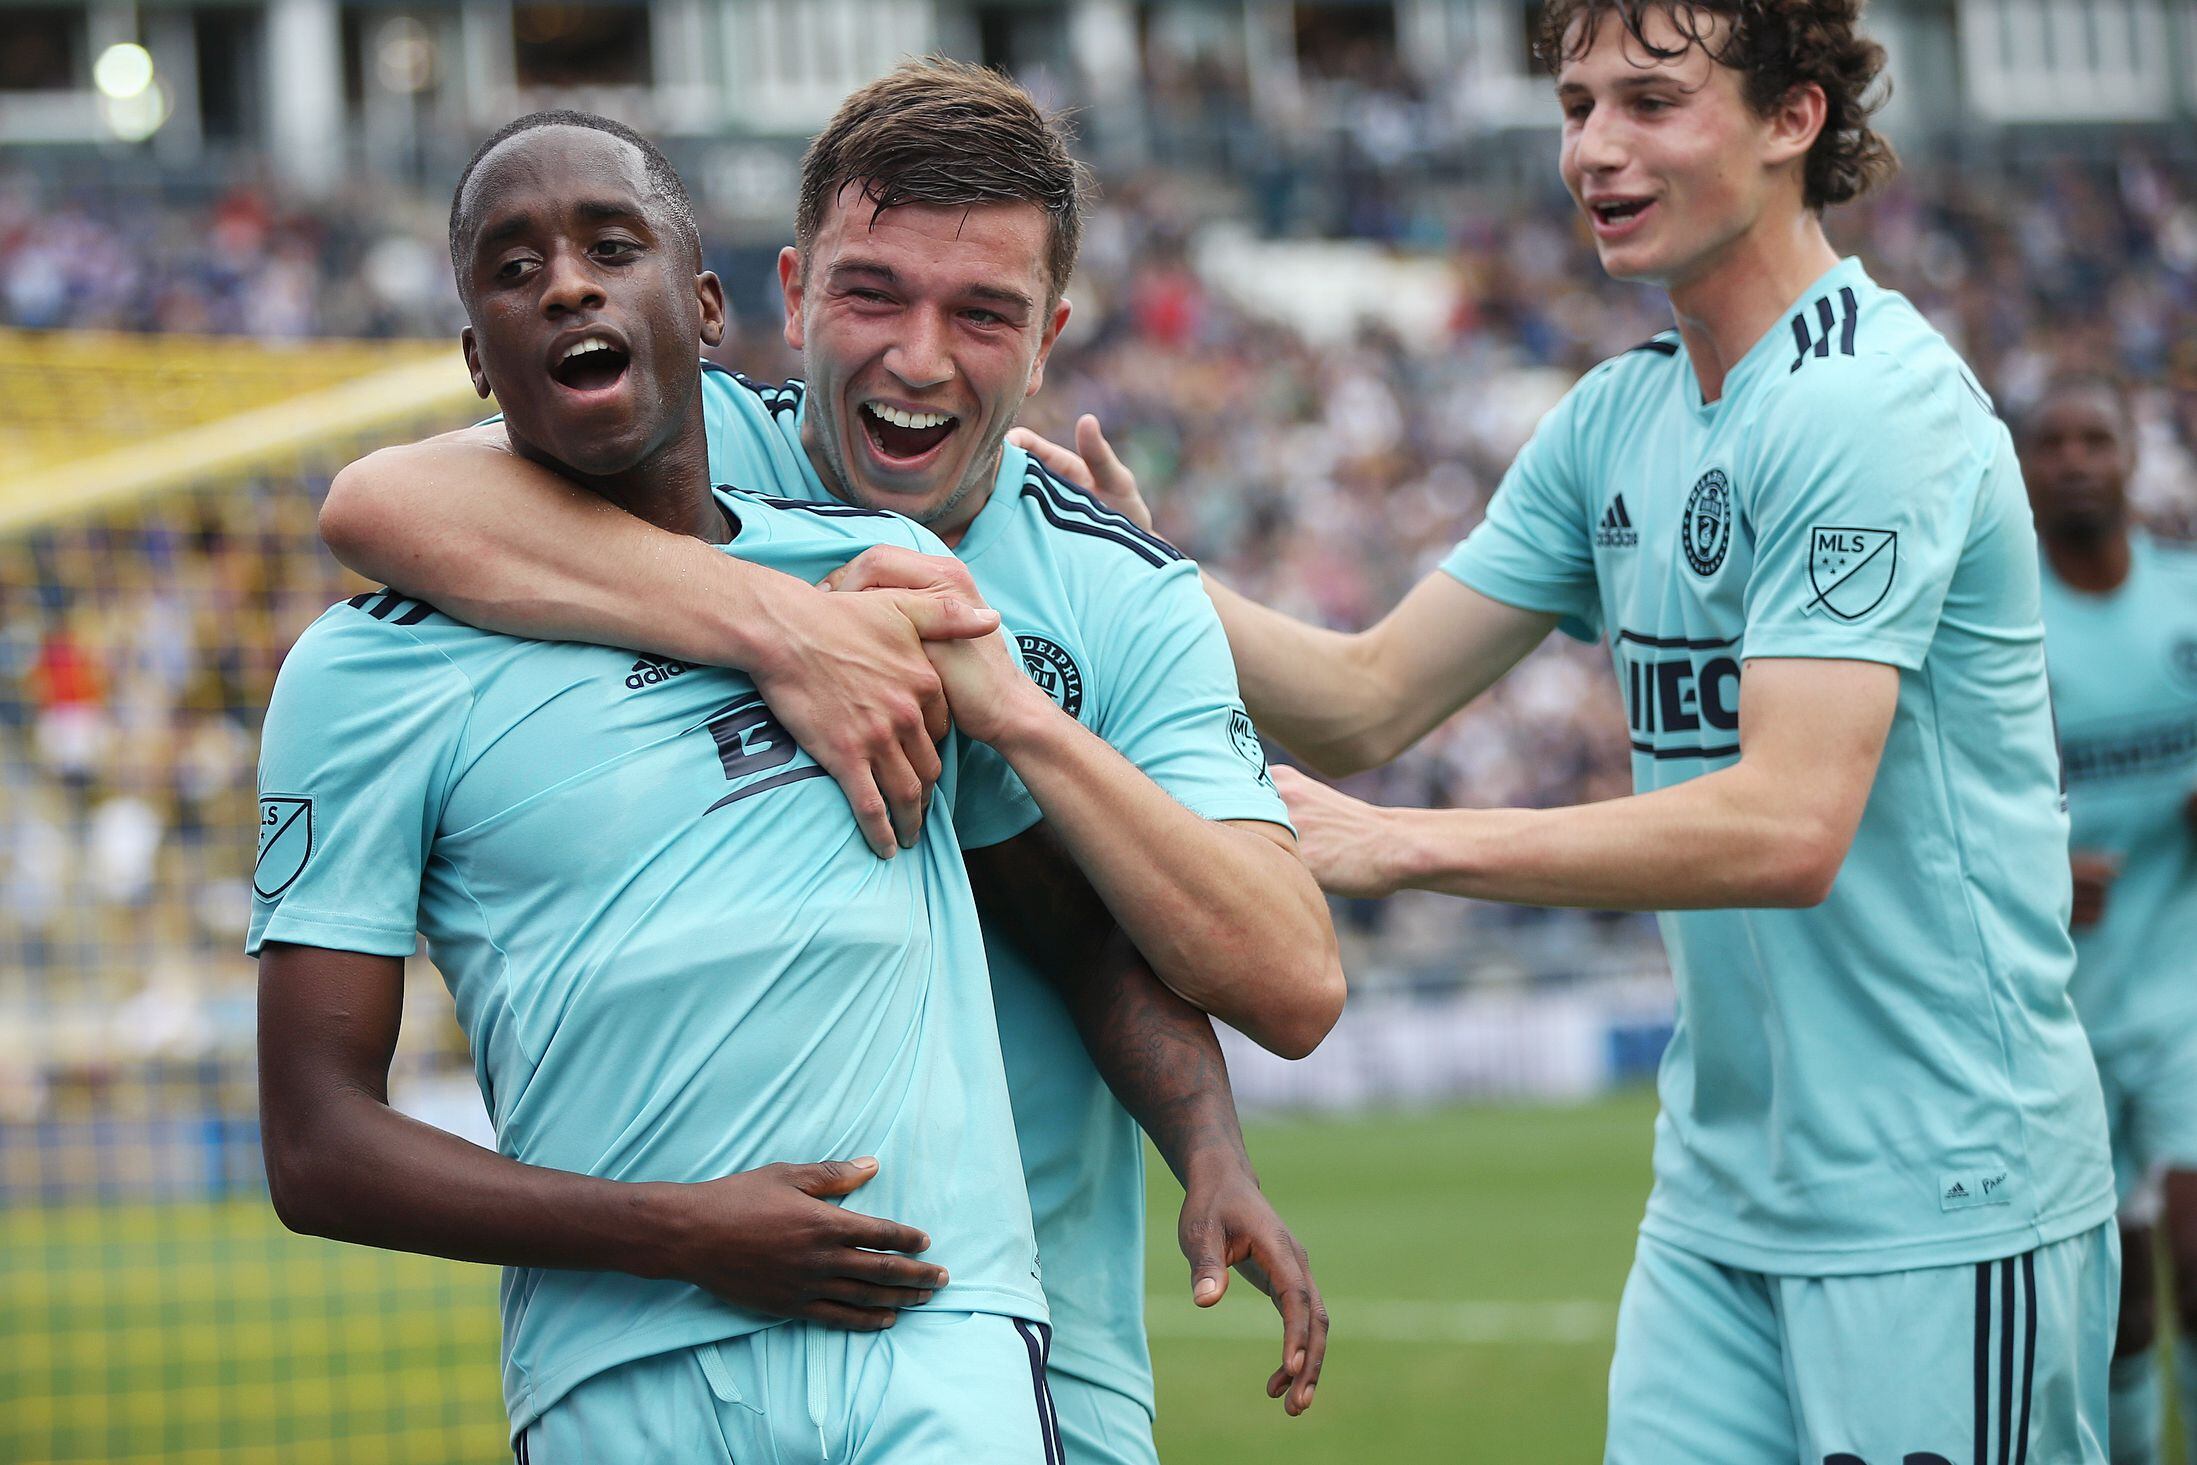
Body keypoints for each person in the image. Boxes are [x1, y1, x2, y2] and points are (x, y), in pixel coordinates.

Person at [1019, 2, 2119, 1459]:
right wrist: (1133, 573)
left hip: (1939, 1196)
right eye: (1577, 105)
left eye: (1650, 102)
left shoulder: (1868, 403)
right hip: (1718, 1205)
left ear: (1793, 118)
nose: (1594, 147)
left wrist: (1404, 846)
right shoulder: (1615, 418)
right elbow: (1364, 695)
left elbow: (1789, 827)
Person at [256, 113, 1323, 1463]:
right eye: (515, 269)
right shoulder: (375, 665)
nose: (570, 286)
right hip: (619, 1360)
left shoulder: (899, 579)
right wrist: (677, 1231)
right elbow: (316, 1140)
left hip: (956, 1329)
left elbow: (1102, 932)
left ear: (705, 308)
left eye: (611, 247)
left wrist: (1210, 1143)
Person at [2025, 372, 2197, 1465]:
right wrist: (2036, 866)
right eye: (2051, 443)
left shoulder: (2187, 599)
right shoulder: (1999, 621)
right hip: (2060, 1006)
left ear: (2132, 456)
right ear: (2021, 468)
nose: (2076, 460)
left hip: (2184, 989)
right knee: (2117, 1310)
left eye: (2096, 439)